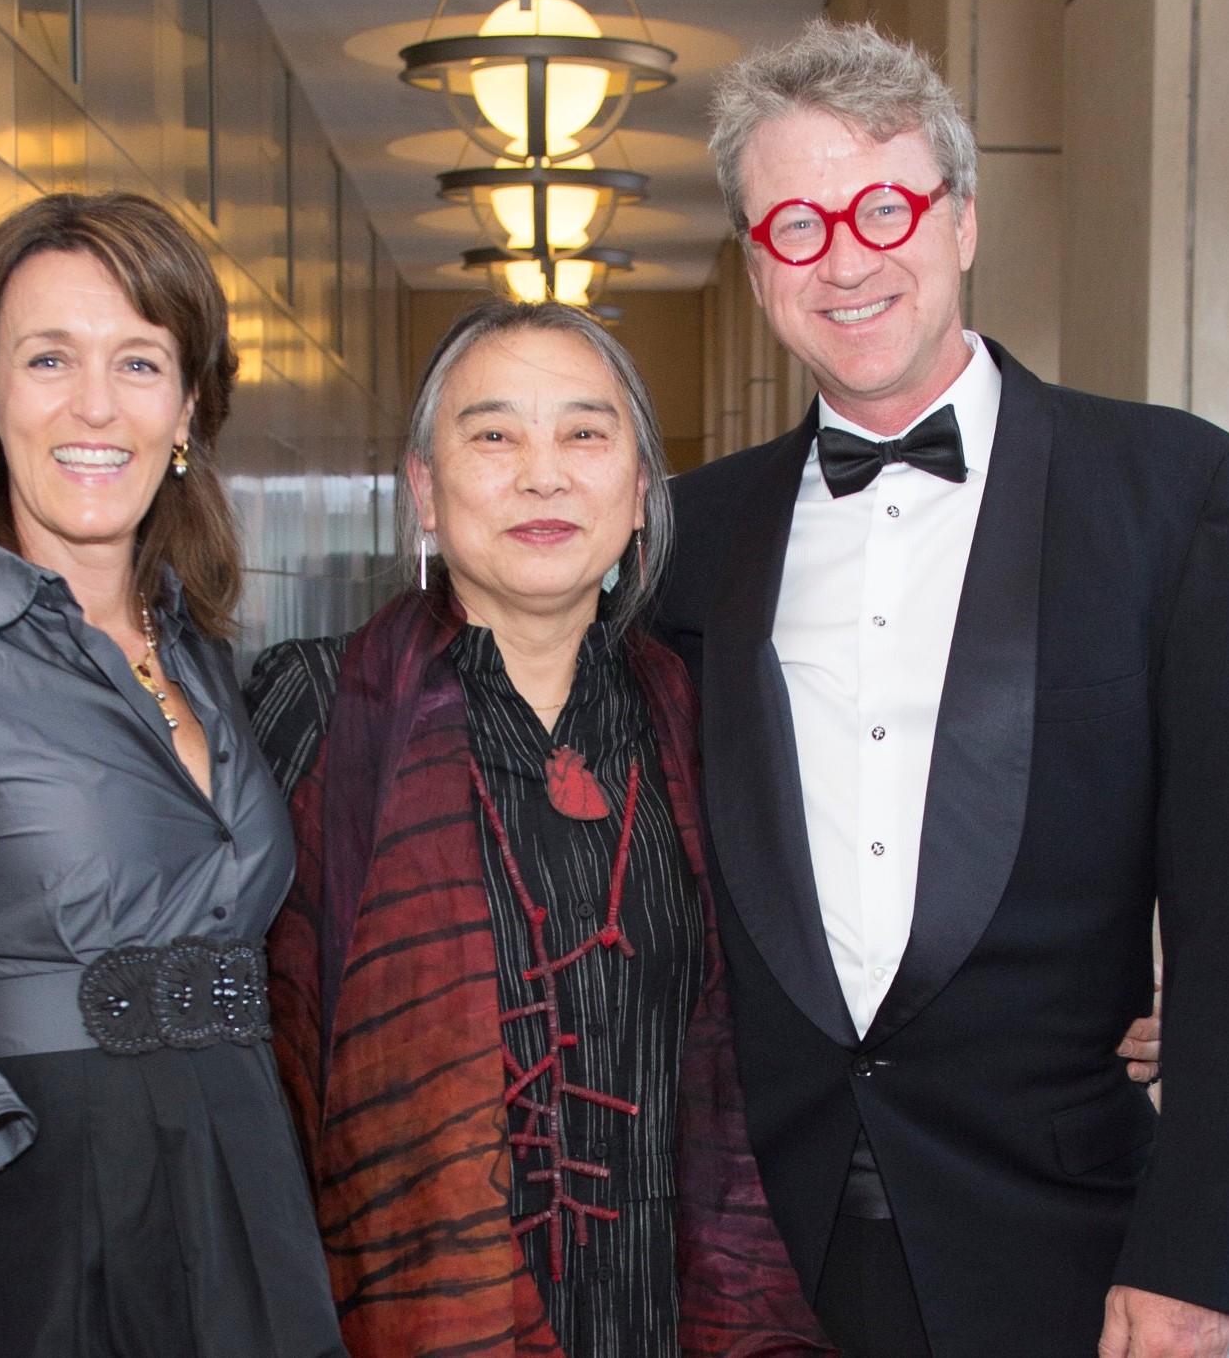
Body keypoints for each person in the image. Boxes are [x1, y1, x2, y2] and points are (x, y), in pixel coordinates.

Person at [652, 19, 1229, 1358]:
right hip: (750, 1240)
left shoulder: (1180, 493)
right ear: (756, 264)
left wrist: (1198, 1253)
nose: (843, 258)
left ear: (960, 219)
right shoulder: (687, 533)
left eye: (883, 205)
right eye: (794, 224)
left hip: (1064, 1231)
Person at [0, 193, 345, 1358]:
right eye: (50, 358)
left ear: (187, 407)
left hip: (238, 1205)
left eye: (139, 362)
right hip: (37, 1241)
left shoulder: (197, 653)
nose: (96, 404)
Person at [243, 300, 832, 1358]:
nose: (543, 474)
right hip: (405, 1313)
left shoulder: (707, 723)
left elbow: (837, 964)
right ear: (425, 489)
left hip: (666, 1315)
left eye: (585, 432)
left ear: (642, 490)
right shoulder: (319, 710)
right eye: (494, 433)